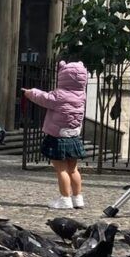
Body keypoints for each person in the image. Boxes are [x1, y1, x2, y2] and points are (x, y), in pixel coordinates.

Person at [23, 60, 88, 210]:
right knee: (73, 169)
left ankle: (65, 199)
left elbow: (44, 98)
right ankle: (78, 198)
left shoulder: (59, 95)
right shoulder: (81, 95)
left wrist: (30, 92)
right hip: (74, 136)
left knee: (62, 170)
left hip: (58, 136)